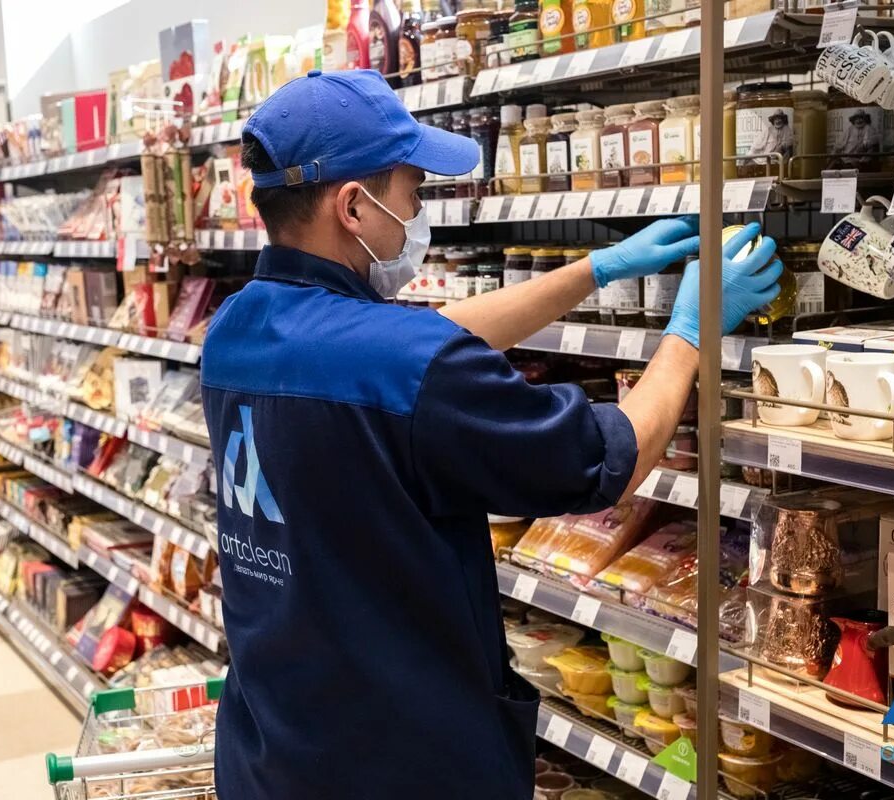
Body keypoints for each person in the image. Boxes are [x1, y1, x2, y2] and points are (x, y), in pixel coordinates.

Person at [201, 69, 783, 800]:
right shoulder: (404, 364)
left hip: (274, 750)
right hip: (403, 763)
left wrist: (594, 270)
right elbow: (613, 456)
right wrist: (689, 332)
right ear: (353, 206)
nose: (417, 214)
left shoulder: (234, 331)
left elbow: (414, 346)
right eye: (412, 193)